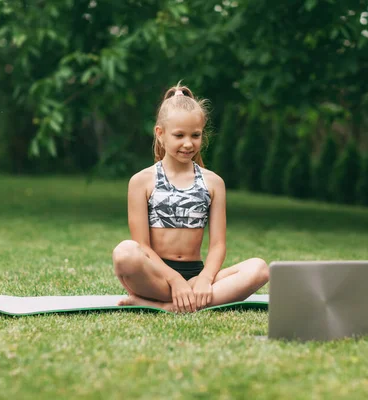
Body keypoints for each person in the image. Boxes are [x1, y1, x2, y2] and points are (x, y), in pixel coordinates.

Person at [112, 83, 269, 313]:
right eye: (179, 135)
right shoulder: (142, 181)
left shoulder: (213, 183)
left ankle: (166, 306)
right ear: (160, 134)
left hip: (197, 279)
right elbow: (143, 246)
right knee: (125, 252)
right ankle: (179, 299)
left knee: (260, 268)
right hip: (157, 276)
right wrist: (174, 280)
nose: (188, 143)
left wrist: (206, 278)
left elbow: (218, 244)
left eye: (195, 135)